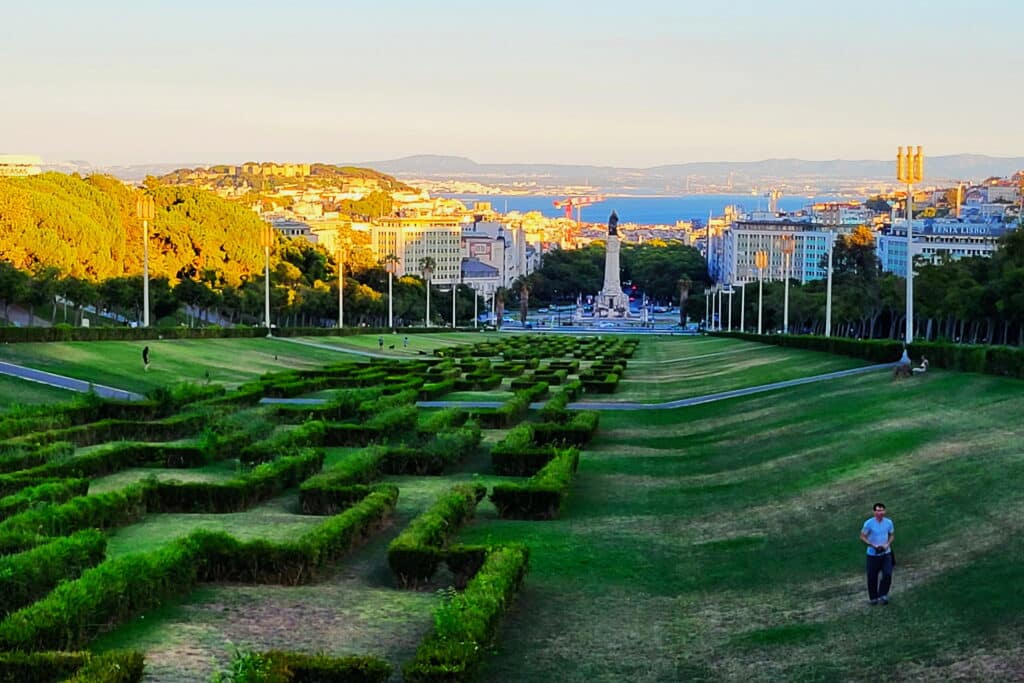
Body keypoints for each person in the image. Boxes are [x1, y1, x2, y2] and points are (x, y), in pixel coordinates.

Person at [860, 502, 895, 605]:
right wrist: (872, 545)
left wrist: (887, 544)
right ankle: (873, 598)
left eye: (882, 510)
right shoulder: (868, 523)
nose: (880, 513)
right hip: (872, 554)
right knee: (872, 576)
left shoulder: (888, 522)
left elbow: (892, 535)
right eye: (878, 510)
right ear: (874, 512)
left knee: (887, 574)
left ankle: (883, 595)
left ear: (885, 511)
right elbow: (862, 536)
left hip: (886, 553)